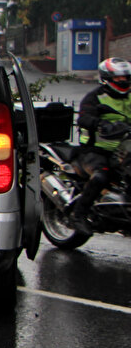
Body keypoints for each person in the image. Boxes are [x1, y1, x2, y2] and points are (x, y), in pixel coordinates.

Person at [70, 57, 131, 236]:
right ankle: (78, 215)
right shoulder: (95, 97)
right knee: (101, 176)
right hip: (94, 150)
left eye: (126, 77)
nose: (123, 81)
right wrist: (100, 124)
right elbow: (83, 118)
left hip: (122, 148)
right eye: (118, 78)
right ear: (106, 78)